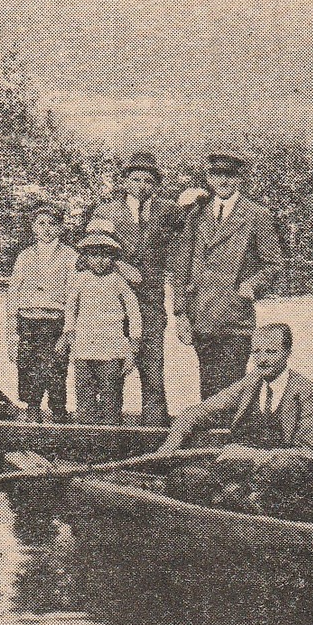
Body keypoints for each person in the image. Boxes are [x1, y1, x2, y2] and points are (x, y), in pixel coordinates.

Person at [159, 324, 313, 515]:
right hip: (240, 470)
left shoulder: (310, 391)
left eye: (271, 352)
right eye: (256, 352)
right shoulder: (250, 383)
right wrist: (169, 447)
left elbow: (312, 453)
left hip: (280, 480)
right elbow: (196, 413)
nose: (262, 359)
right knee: (183, 480)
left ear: (288, 352)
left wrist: (253, 455)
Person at [170, 150, 286, 398]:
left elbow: (274, 265)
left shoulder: (256, 215)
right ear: (208, 178)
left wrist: (252, 285)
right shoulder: (196, 213)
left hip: (235, 320)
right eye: (217, 174)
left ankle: (230, 437)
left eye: (230, 175)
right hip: (200, 317)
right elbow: (181, 266)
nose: (223, 181)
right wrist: (180, 313)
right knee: (208, 390)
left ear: (240, 178)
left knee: (232, 390)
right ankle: (214, 438)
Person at [93, 151, 186, 424]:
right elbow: (87, 253)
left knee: (153, 372)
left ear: (156, 184)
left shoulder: (168, 210)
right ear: (124, 181)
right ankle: (108, 434)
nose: (141, 185)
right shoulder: (105, 210)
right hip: (111, 304)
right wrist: (120, 266)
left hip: (151, 303)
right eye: (136, 179)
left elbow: (194, 231)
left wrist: (194, 198)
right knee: (110, 371)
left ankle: (155, 434)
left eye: (148, 180)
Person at [59, 231, 143, 425]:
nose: (99, 261)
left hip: (112, 349)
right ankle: (86, 441)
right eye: (94, 255)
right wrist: (69, 333)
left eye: (105, 256)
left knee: (111, 396)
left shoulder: (118, 281)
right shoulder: (80, 280)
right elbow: (71, 308)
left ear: (113, 258)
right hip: (84, 348)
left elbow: (134, 312)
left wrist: (134, 344)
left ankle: (111, 441)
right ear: (86, 257)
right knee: (84, 395)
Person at [5, 202, 78, 423]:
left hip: (55, 321)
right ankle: (32, 408)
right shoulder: (25, 256)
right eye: (41, 223)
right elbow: (13, 292)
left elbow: (73, 294)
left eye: (52, 224)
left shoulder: (69, 255)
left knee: (56, 368)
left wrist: (68, 331)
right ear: (33, 227)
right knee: (28, 366)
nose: (46, 228)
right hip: (27, 320)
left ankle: (58, 410)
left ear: (61, 228)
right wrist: (11, 331)